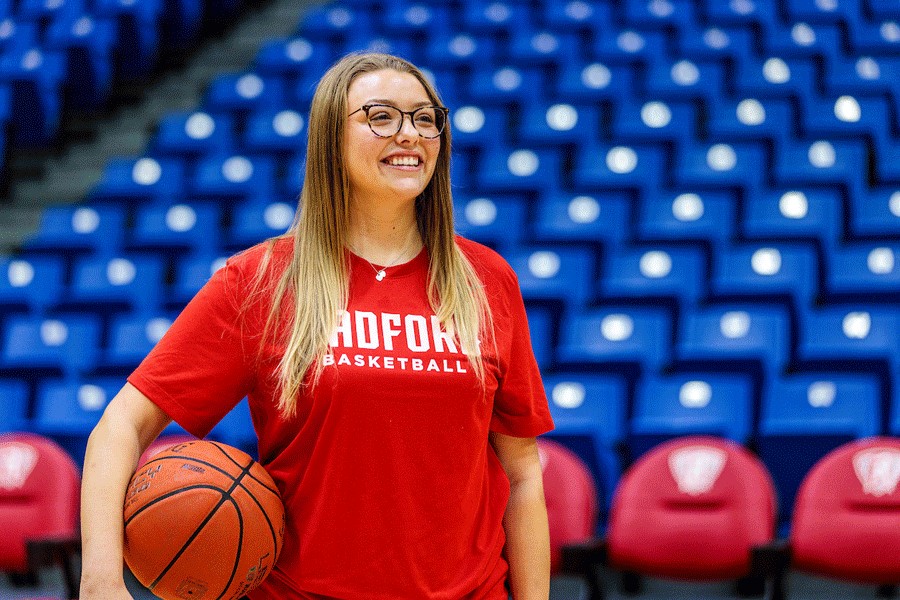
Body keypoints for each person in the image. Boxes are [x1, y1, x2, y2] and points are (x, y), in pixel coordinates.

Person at [79, 52, 554, 599]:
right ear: (331, 137)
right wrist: (101, 579)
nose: (410, 134)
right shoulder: (261, 281)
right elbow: (120, 426)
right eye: (381, 116)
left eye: (426, 119)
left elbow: (521, 475)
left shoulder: (486, 280)